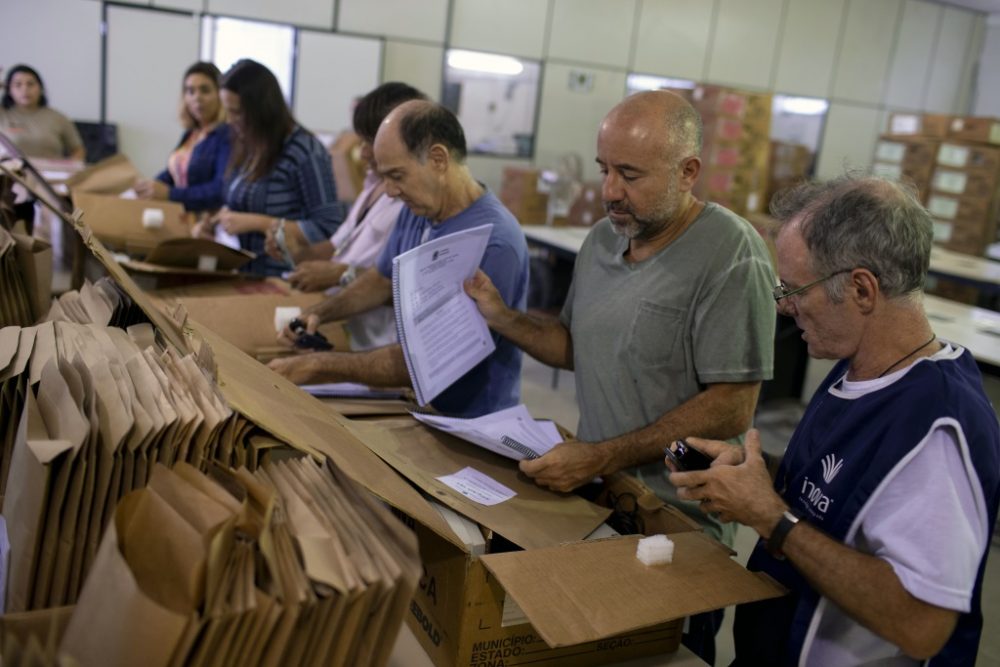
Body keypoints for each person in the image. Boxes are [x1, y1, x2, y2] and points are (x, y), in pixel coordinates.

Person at [463, 90, 775, 662]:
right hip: (600, 501)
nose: (609, 191)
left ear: (688, 172)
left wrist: (601, 454)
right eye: (606, 169)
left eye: (630, 174)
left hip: (676, 526)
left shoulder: (731, 253)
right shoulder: (603, 240)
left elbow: (734, 404)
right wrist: (501, 317)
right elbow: (574, 346)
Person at [669, 175, 1000, 665]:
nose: (783, 305)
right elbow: (844, 489)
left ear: (862, 289)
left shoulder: (937, 427)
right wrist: (755, 477)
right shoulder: (857, 370)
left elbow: (921, 624)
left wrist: (770, 518)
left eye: (795, 288)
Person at [268, 100, 529, 418]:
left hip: (469, 422)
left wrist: (318, 365)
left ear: (438, 159)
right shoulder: (418, 210)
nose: (390, 191)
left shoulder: (494, 242)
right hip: (417, 404)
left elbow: (432, 359)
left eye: (397, 176)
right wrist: (320, 314)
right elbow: (380, 281)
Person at [263, 82, 426, 350]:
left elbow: (406, 287)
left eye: (370, 142)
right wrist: (295, 251)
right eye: (359, 139)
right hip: (341, 323)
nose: (361, 153)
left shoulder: (413, 203)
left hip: (374, 341)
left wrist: (342, 274)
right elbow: (338, 247)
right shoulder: (373, 185)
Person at [207, 59, 343, 276]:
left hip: (282, 278)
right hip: (244, 272)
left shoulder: (305, 151)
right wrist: (218, 220)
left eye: (237, 112)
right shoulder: (249, 142)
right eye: (228, 111)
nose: (230, 120)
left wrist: (259, 223)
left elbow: (328, 228)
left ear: (261, 111)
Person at [135, 62, 230, 214]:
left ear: (220, 94)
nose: (197, 97)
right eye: (190, 91)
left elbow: (220, 189)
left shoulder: (226, 135)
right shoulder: (191, 133)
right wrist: (150, 185)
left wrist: (170, 194)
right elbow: (174, 173)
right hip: (181, 216)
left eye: (205, 90)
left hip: (208, 223)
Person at [0, 64, 84, 160]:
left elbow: (78, 149)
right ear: (9, 90)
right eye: (18, 85)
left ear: (40, 88)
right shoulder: (2, 113)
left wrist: (70, 168)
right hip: (10, 173)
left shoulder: (57, 117)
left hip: (51, 173)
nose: (25, 89)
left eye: (30, 84)